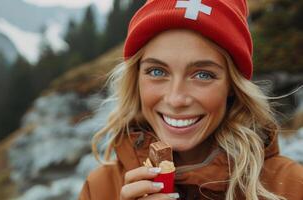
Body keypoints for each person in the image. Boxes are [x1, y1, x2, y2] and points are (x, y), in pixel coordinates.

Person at [79, 0, 303, 199]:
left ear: (232, 87)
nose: (176, 99)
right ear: (136, 79)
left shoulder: (292, 187)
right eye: (157, 72)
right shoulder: (100, 188)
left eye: (203, 75)